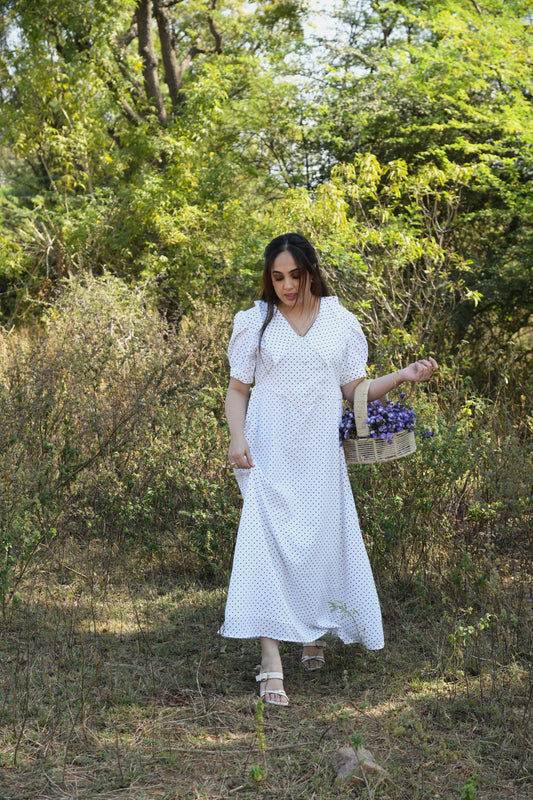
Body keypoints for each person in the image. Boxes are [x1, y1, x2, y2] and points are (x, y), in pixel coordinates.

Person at [219, 233, 437, 706]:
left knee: (317, 541)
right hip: (268, 447)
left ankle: (312, 632)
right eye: (277, 277)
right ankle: (270, 660)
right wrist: (237, 438)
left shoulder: (339, 322)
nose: (286, 286)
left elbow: (354, 388)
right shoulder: (255, 321)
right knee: (266, 540)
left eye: (294, 275)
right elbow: (238, 390)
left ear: (311, 272)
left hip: (318, 451)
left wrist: (402, 376)